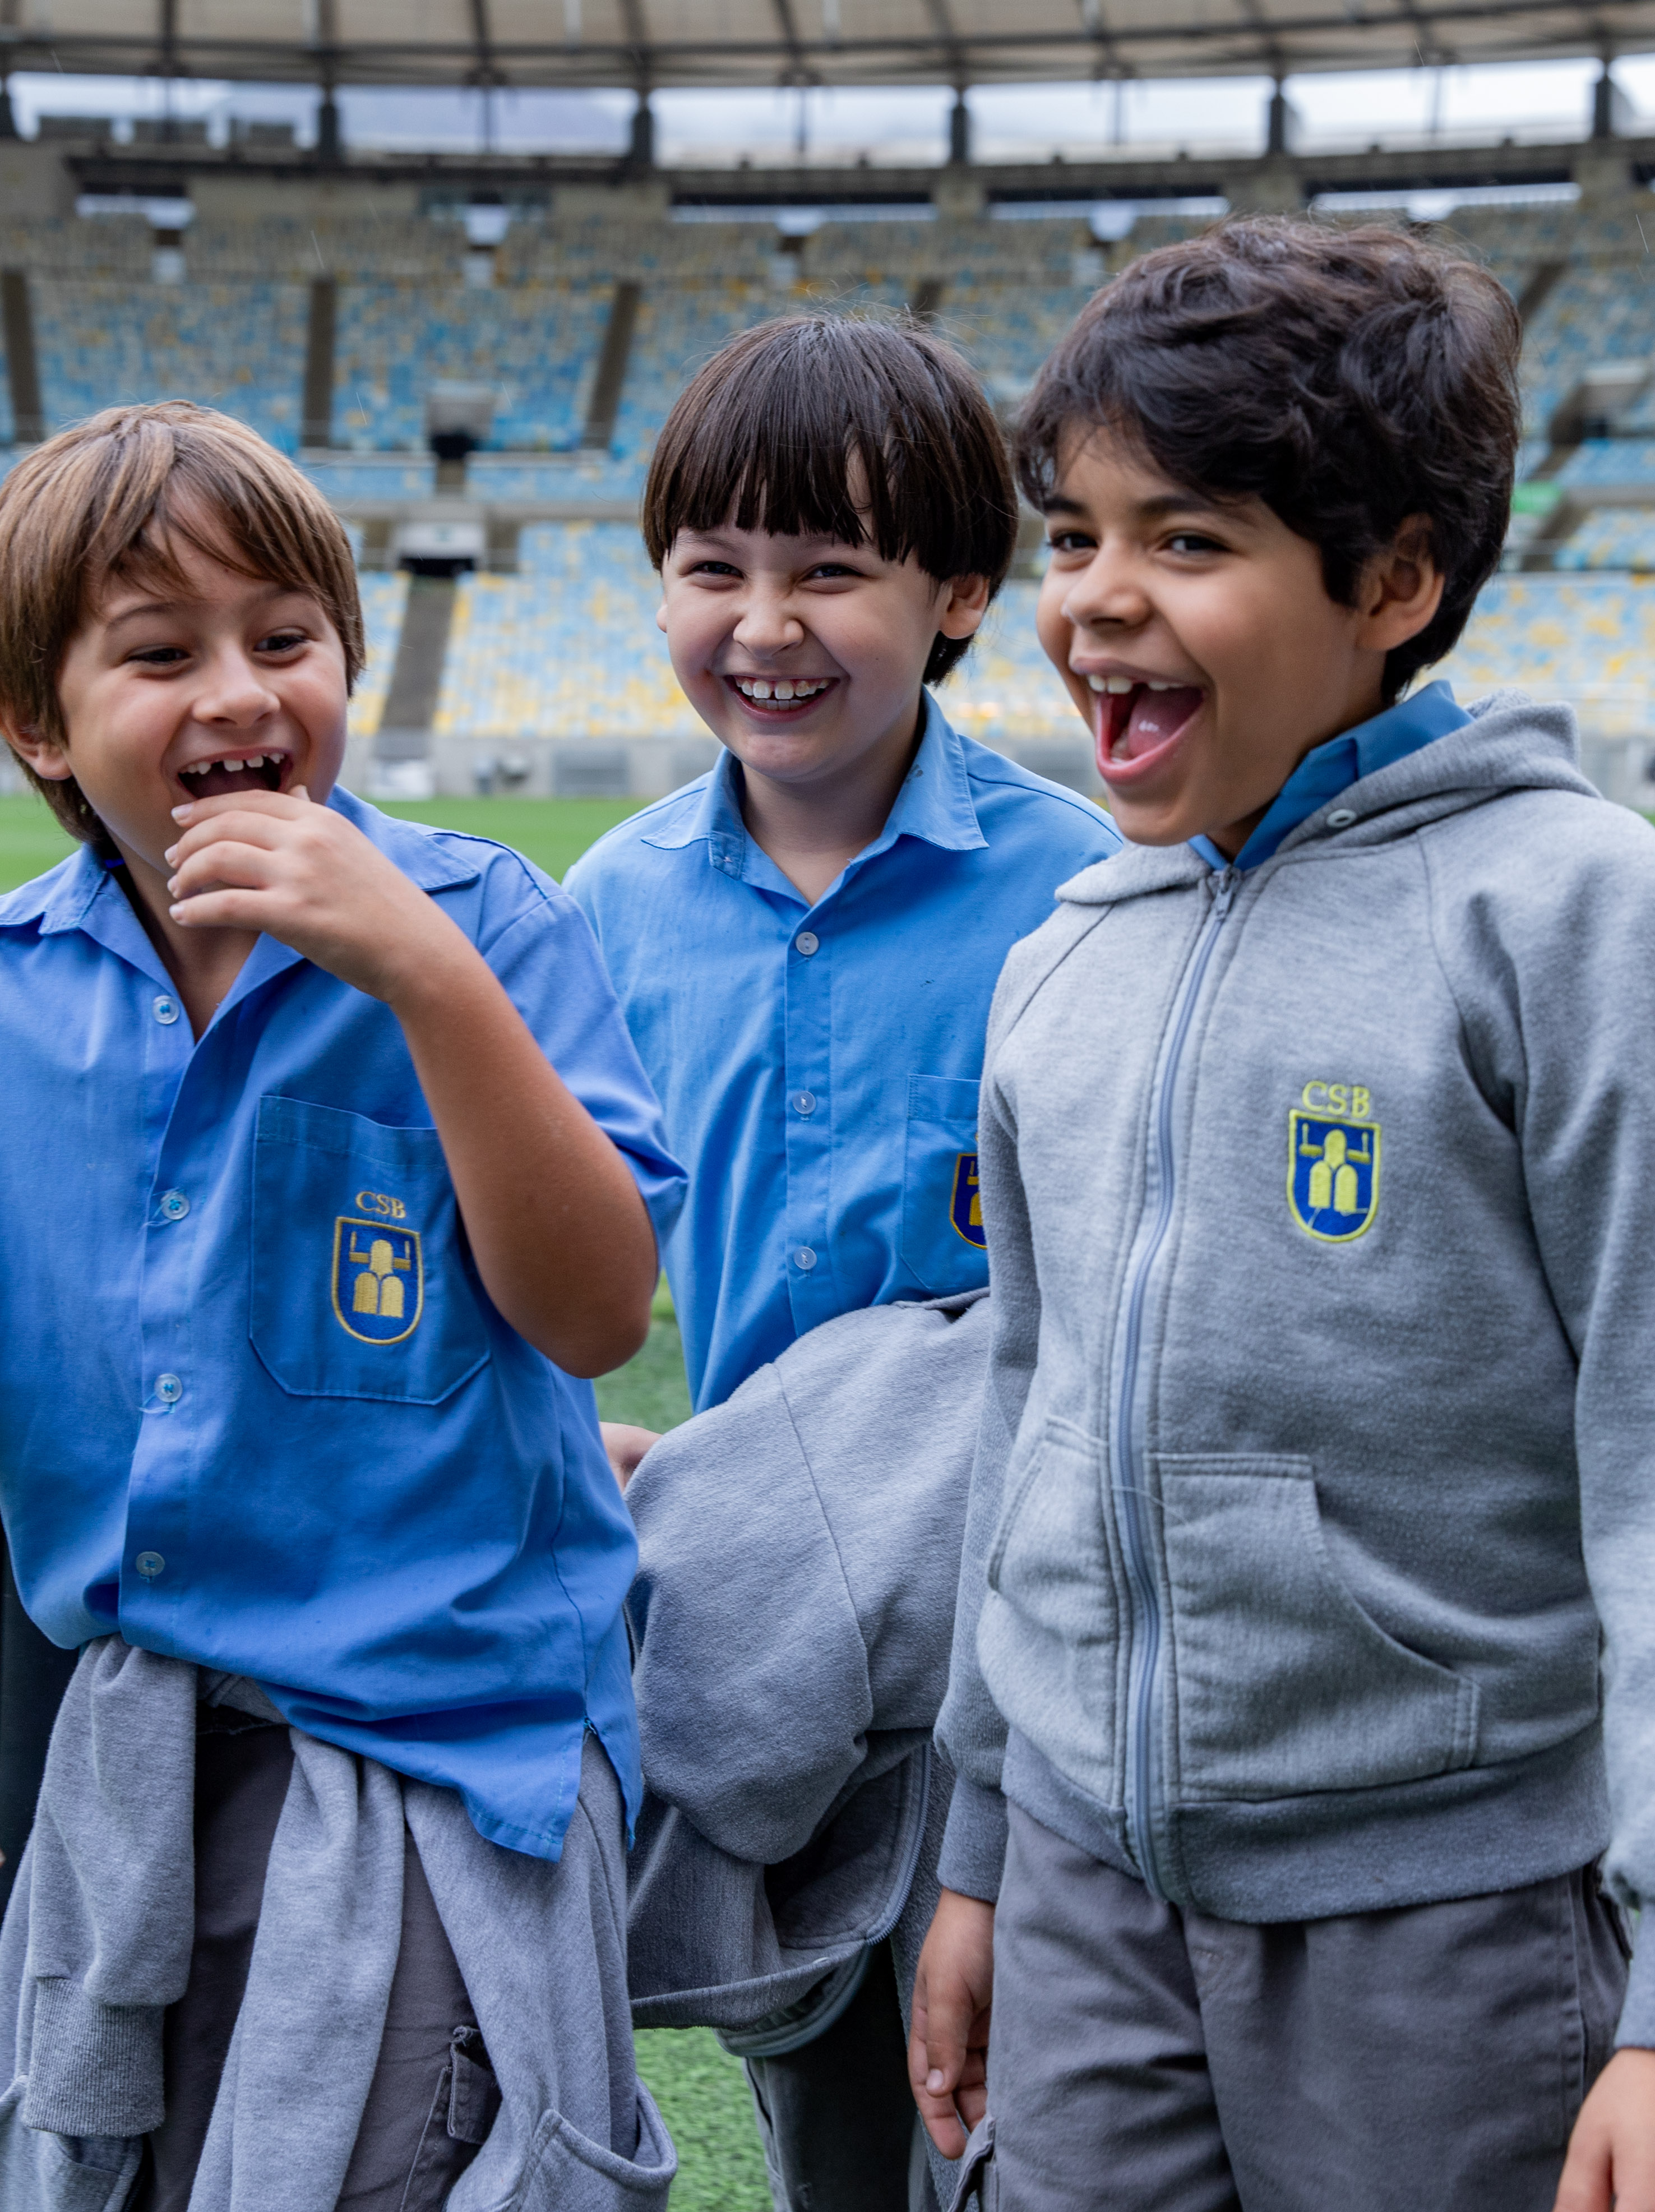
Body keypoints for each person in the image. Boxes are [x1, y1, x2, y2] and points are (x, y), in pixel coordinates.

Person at [910, 219, 1655, 2212]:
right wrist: (978, 1843)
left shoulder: (1568, 914)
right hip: (1076, 1891)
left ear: (1396, 582)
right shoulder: (1062, 955)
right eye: (1072, 537)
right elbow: (1025, 1415)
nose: (1097, 605)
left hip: (1452, 1923)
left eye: (1189, 540)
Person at [0, 401, 682, 2211]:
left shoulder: (483, 918)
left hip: (437, 1752)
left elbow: (594, 1315)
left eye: (287, 639)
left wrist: (423, 973)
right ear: (38, 722)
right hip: (138, 1758)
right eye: (160, 654)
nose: (242, 694)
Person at [566, 314, 1117, 2208]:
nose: (764, 622)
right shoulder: (605, 912)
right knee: (834, 2146)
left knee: (1028, 2128)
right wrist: (612, 1450)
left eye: (830, 571)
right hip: (769, 1645)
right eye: (713, 569)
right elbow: (554, 1278)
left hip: (1017, 1643)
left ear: (962, 593)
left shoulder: (1083, 892)